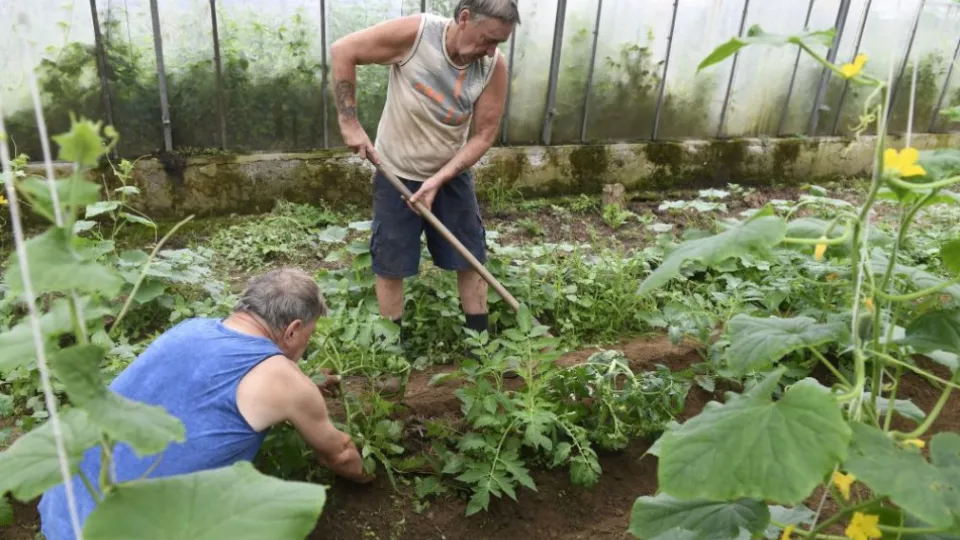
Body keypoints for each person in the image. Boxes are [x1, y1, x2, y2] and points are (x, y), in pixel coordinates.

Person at [38, 268, 372, 539]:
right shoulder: (281, 380)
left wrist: (301, 381)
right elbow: (339, 454)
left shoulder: (191, 329)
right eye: (309, 335)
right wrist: (368, 479)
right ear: (293, 329)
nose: (306, 343)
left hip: (62, 511)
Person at [330, 0, 519, 349]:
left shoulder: (493, 65)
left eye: (498, 43)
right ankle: (391, 352)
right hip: (395, 171)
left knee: (471, 257)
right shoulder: (416, 36)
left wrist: (439, 179)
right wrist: (349, 121)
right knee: (392, 260)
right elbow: (344, 50)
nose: (491, 50)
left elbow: (484, 134)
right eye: (487, 39)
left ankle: (480, 347)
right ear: (464, 18)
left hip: (450, 175)